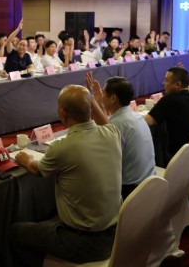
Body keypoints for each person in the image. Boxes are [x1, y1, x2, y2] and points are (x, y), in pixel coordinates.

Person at [10, 85, 122, 266]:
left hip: (85, 243)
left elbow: (37, 170)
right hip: (117, 231)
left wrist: (26, 159)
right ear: (91, 108)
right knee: (44, 224)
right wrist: (91, 100)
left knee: (16, 232)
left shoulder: (63, 147)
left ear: (62, 112)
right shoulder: (113, 133)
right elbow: (105, 122)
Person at [86, 74, 155, 198]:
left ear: (113, 98)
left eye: (103, 92)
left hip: (131, 191)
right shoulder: (136, 116)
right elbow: (108, 126)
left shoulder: (117, 125)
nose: (101, 94)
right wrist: (98, 101)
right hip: (150, 182)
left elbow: (103, 161)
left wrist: (93, 101)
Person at [142, 67, 189, 166]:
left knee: (156, 134)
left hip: (188, 160)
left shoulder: (169, 100)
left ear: (177, 85)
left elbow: (146, 122)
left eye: (166, 80)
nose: (163, 83)